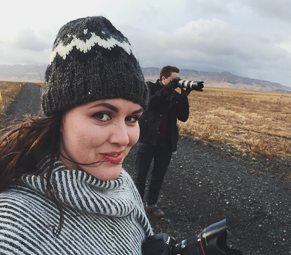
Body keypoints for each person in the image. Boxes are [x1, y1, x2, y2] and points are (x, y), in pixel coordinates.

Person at [0, 16, 153, 254]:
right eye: (102, 115)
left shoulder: (123, 184)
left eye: (132, 118)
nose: (124, 139)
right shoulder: (12, 232)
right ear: (59, 119)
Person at [134, 65, 191, 217]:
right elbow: (149, 104)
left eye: (178, 79)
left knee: (158, 176)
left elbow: (183, 117)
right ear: (164, 79)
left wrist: (184, 96)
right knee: (140, 175)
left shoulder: (175, 94)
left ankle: (151, 204)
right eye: (174, 79)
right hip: (147, 139)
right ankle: (137, 206)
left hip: (166, 141)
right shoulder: (150, 87)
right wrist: (167, 90)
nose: (177, 82)